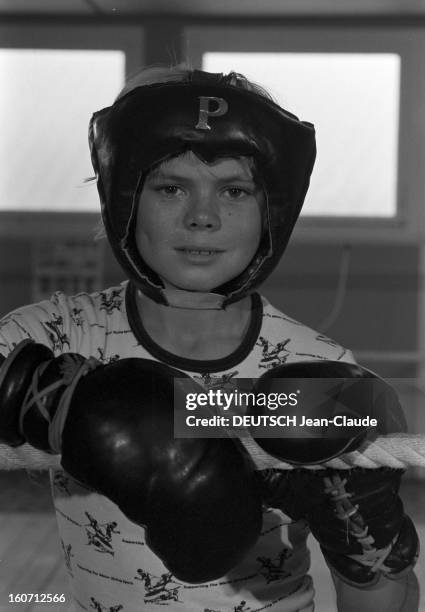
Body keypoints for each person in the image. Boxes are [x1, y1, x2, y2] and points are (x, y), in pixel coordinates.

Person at [0, 65, 419, 611]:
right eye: (171, 187)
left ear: (273, 210)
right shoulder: (62, 336)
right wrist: (60, 398)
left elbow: (386, 599)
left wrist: (364, 536)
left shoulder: (318, 368)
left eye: (235, 190)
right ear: (124, 195)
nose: (203, 217)